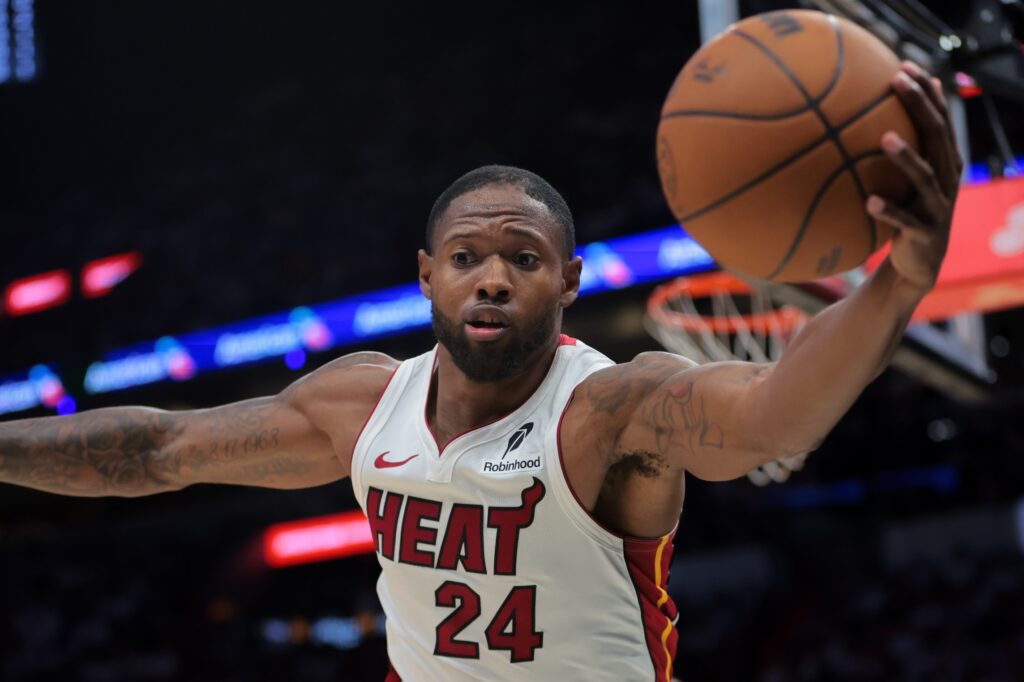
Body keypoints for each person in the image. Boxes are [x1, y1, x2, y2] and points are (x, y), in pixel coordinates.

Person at [0, 62, 961, 681]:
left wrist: (897, 283)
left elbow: (770, 422)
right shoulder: (361, 402)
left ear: (568, 282)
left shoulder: (613, 410)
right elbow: (162, 448)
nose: (493, 278)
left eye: (524, 259)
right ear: (427, 277)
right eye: (467, 258)